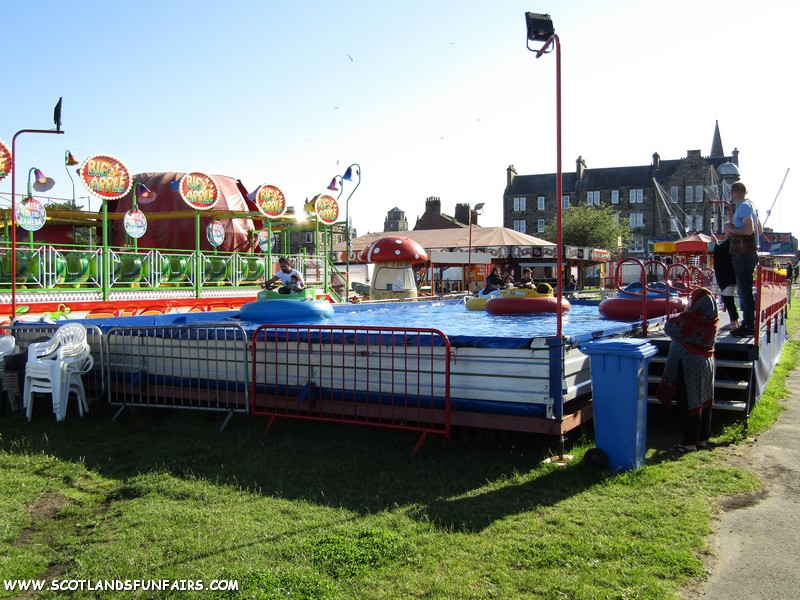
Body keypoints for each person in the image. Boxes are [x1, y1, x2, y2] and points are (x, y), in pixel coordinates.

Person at [657, 287, 719, 454]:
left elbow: (670, 327)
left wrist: (685, 311)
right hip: (706, 363)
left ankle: (689, 442)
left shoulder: (692, 320)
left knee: (689, 402)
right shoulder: (711, 318)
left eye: (693, 300)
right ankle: (702, 438)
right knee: (704, 401)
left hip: (689, 364)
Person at [725, 182, 759, 337]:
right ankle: (749, 322)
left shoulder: (743, 206)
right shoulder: (750, 205)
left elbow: (748, 229)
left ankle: (748, 324)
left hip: (744, 254)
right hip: (749, 253)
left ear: (733, 192)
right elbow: (759, 228)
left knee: (744, 290)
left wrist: (730, 228)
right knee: (745, 289)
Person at [712, 237, 739, 331]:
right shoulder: (734, 241)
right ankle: (735, 321)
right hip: (731, 273)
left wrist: (715, 244)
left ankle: (734, 322)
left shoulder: (731, 242)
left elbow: (720, 253)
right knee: (729, 298)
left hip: (727, 274)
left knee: (728, 297)